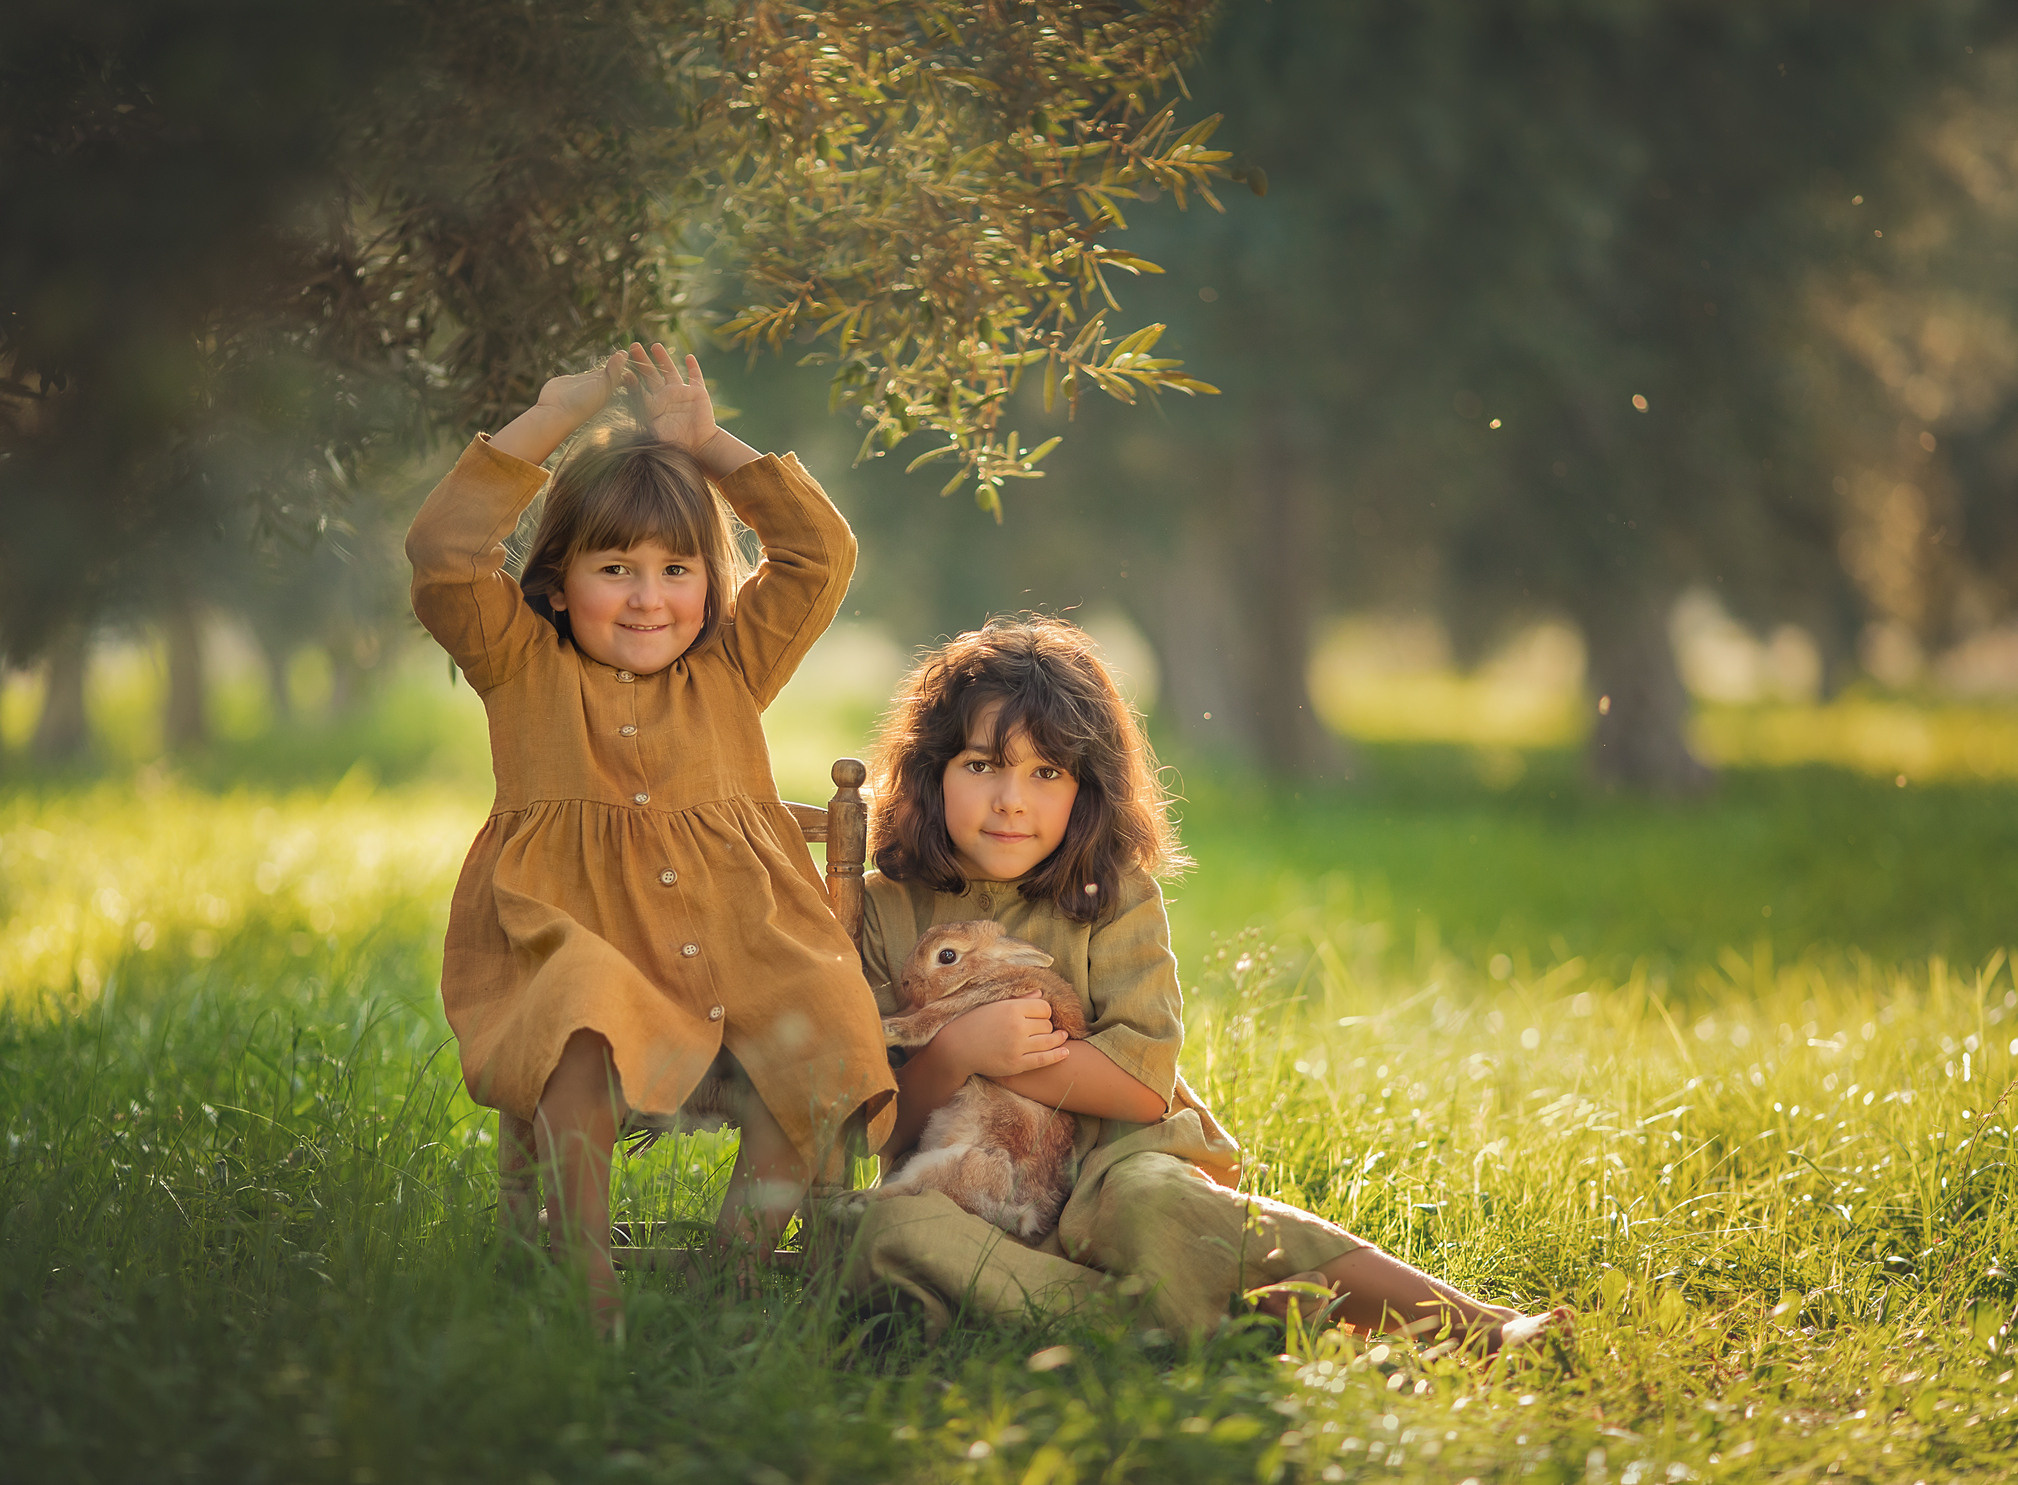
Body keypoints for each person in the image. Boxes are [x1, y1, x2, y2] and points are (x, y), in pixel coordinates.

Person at [835, 615, 1568, 1353]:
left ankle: (1479, 1324)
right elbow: (881, 1126)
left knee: (1154, 1204)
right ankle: (1198, 1313)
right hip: (973, 1191)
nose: (1011, 800)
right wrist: (956, 1050)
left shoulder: (1113, 895)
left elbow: (1141, 1086)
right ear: (931, 771)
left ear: (1087, 790)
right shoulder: (886, 911)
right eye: (981, 765)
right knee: (888, 1230)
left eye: (1046, 773)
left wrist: (1005, 1054)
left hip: (1114, 1171)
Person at [406, 343, 894, 1331]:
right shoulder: (520, 667)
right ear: (558, 580)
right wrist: (551, 419)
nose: (647, 598)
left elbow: (819, 554)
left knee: (825, 1031)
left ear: (709, 583)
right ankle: (586, 1283)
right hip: (584, 969)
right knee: (582, 1008)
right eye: (614, 569)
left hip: (741, 963)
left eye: (676, 570)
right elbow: (444, 553)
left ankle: (734, 1268)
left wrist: (708, 445)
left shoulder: (732, 668)